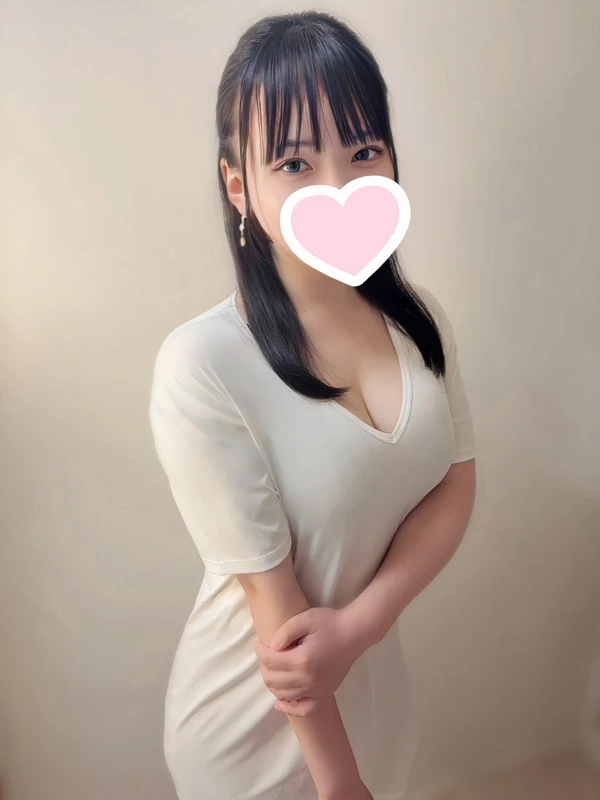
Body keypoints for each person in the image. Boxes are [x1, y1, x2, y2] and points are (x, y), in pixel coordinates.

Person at [148, 10, 477, 800]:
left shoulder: (419, 321)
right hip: (252, 732)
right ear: (239, 185)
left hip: (371, 694)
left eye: (363, 151)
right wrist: (340, 782)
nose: (338, 186)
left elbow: (455, 483)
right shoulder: (203, 364)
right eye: (294, 162)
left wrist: (361, 628)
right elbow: (277, 611)